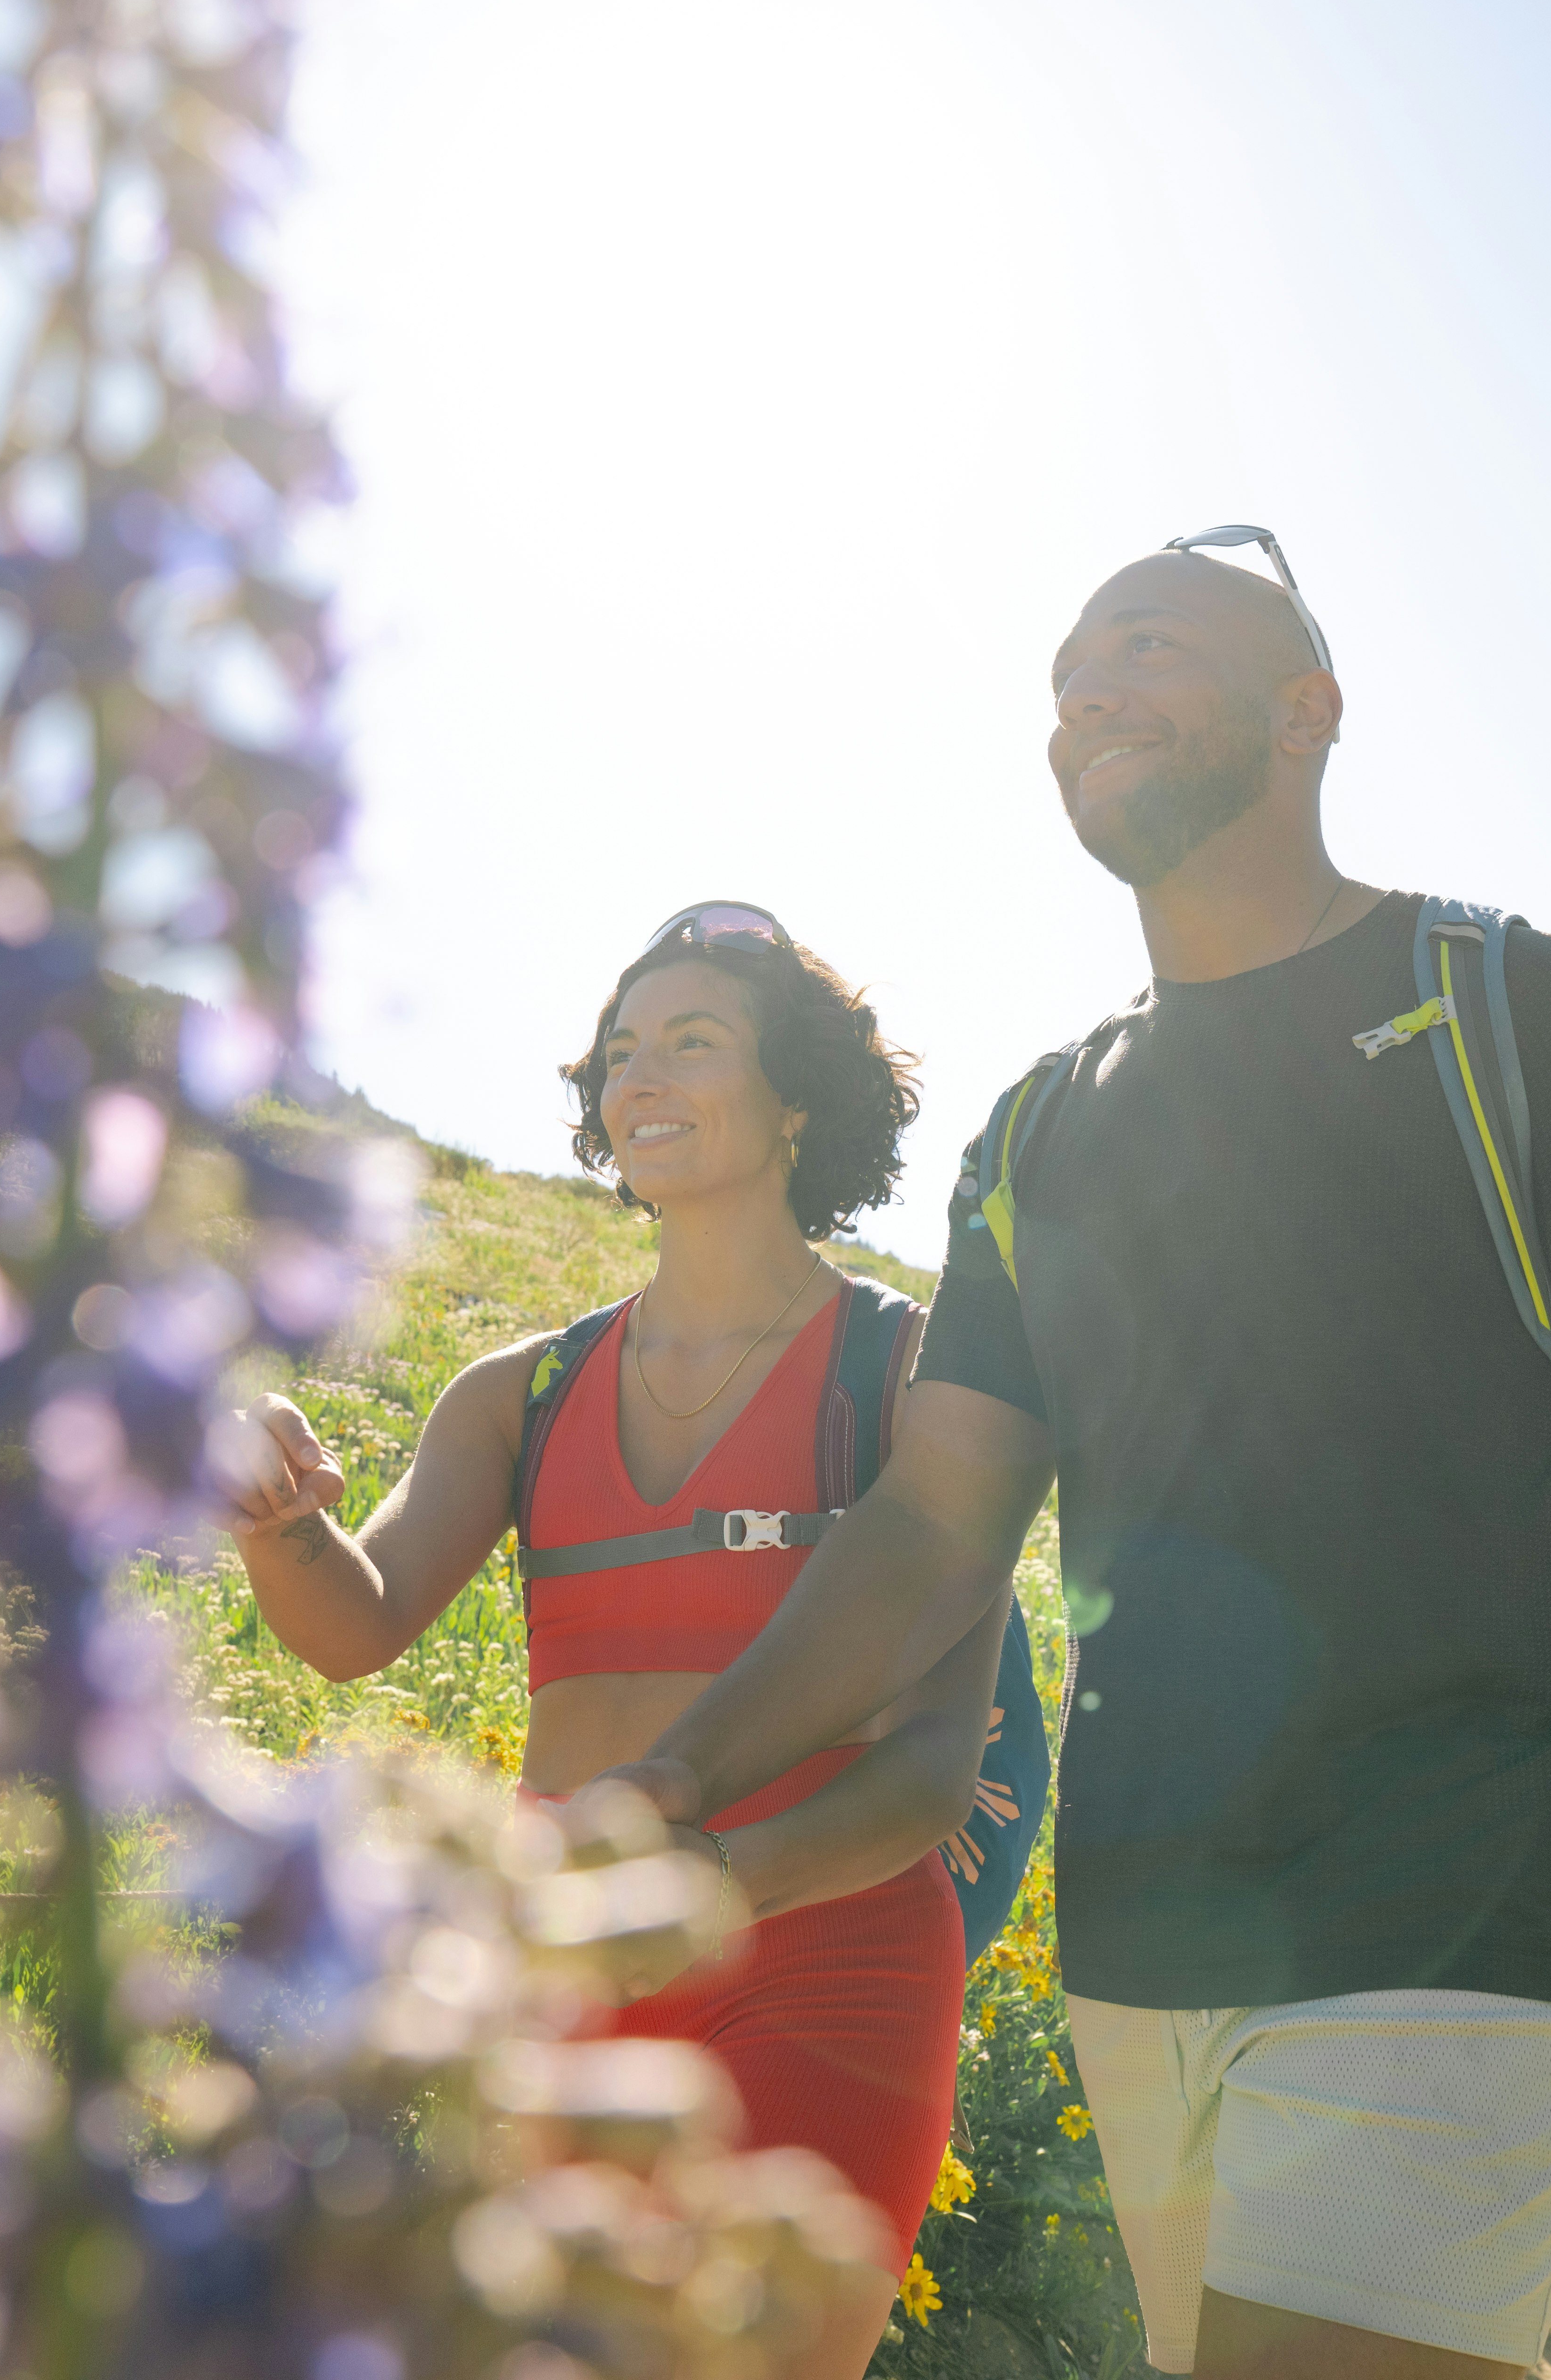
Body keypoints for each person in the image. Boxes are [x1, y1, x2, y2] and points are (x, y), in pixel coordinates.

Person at [587, 533, 1551, 2380]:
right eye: (1062, 678)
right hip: (1147, 1930)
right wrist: (676, 1772)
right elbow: (934, 1526)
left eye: (1144, 646)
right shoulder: (1042, 1129)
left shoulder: (1519, 1012)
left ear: (1310, 710)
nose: (1087, 699)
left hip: (1455, 1885)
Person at [218, 904, 999, 2380]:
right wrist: (278, 1518)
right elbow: (353, 1626)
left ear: (796, 1102)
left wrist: (705, 1883)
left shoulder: (907, 1372)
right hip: (568, 1969)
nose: (640, 1076)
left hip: (825, 1966)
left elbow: (931, 1777)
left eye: (693, 1043)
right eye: (622, 1052)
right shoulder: (520, 1392)